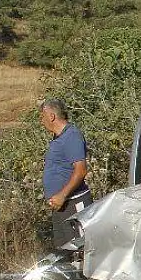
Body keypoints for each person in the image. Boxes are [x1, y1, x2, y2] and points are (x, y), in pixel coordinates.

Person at [39, 98, 91, 247]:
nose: (41, 121)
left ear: (51, 116)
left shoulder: (72, 135)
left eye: (43, 116)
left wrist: (62, 195)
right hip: (61, 208)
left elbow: (80, 170)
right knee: (64, 254)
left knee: (80, 251)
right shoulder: (58, 138)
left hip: (74, 203)